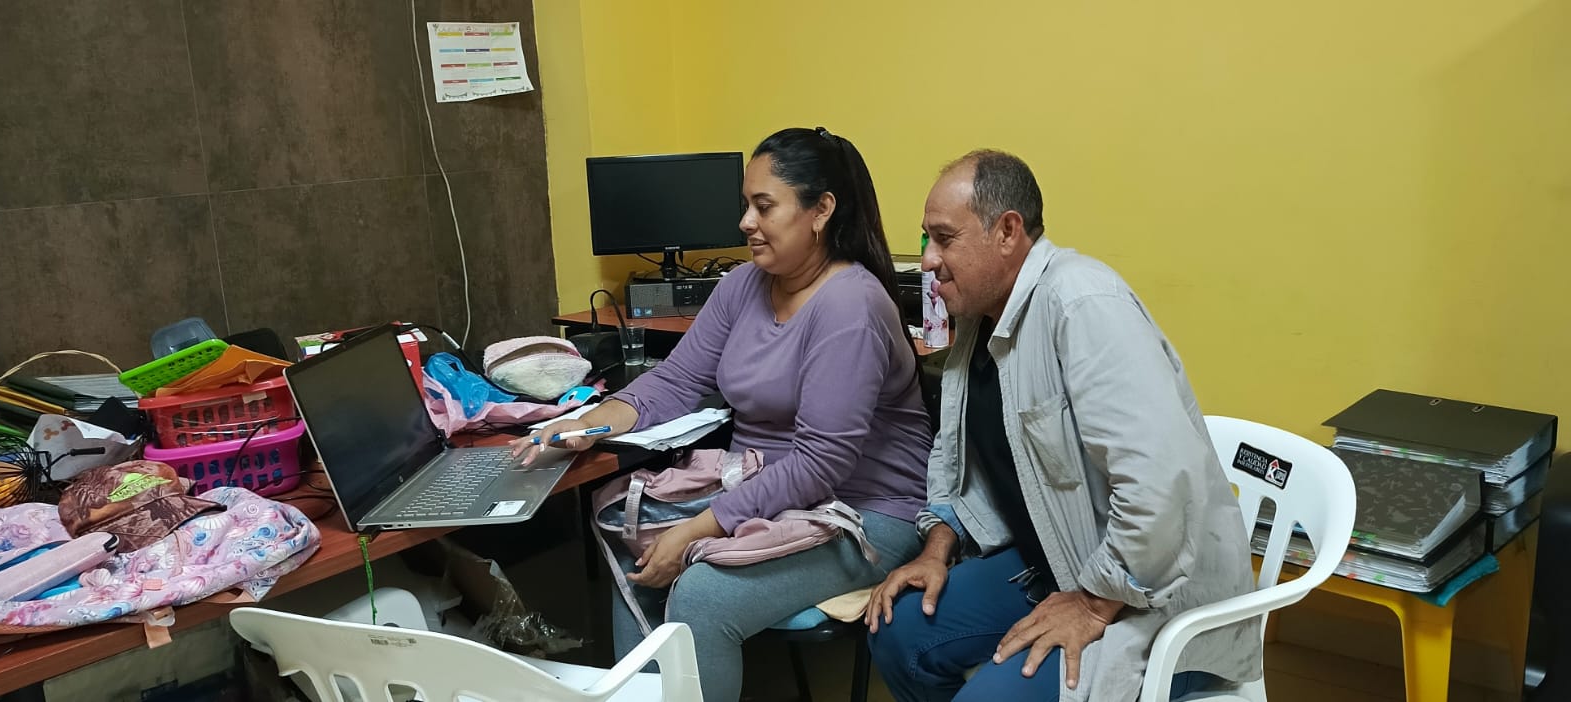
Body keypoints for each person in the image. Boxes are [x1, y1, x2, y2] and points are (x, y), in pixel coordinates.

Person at [513, 127, 933, 702]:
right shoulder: (742, 285)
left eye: (764, 206)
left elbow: (820, 465)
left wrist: (695, 530)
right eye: (745, 205)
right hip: (768, 494)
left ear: (821, 210)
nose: (745, 223)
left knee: (702, 596)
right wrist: (587, 423)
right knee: (634, 542)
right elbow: (679, 379)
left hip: (864, 512)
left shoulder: (849, 306)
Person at [864, 150, 1263, 702]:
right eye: (926, 238)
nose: (928, 259)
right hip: (1054, 561)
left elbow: (1159, 485)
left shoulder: (1084, 305)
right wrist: (937, 547)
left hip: (1149, 597)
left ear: (1008, 232)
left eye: (944, 239)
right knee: (897, 632)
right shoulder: (978, 324)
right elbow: (959, 465)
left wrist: (1093, 604)